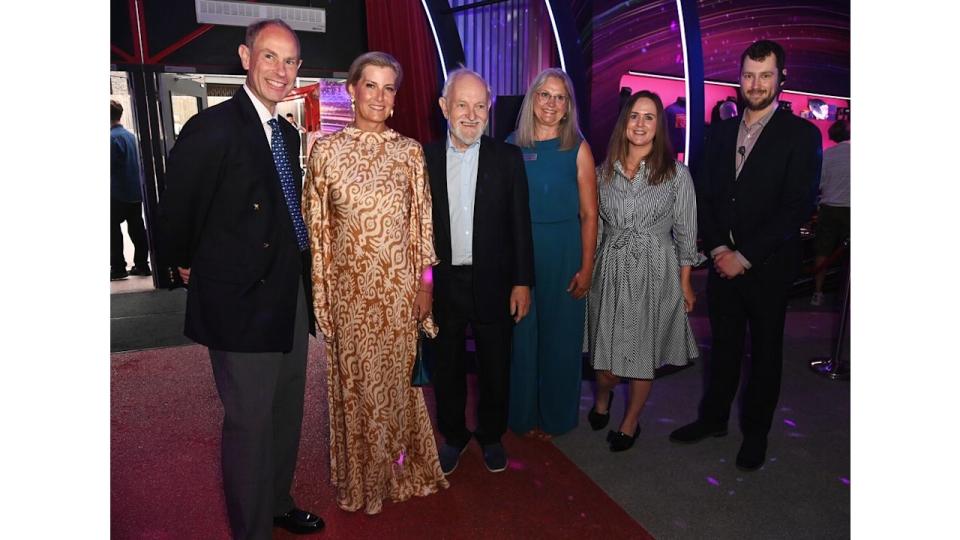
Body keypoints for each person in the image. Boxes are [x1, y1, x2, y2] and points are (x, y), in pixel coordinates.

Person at [157, 19, 324, 538]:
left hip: (289, 291)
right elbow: (175, 212)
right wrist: (185, 261)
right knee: (249, 423)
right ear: (245, 56)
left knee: (285, 410)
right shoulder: (212, 127)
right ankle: (252, 530)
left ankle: (276, 502)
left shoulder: (287, 131)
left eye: (290, 60)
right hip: (240, 301)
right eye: (270, 56)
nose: (281, 69)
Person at [303, 51, 448, 514]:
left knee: (396, 386)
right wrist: (323, 298)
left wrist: (425, 286)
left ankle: (400, 468)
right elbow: (318, 236)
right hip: (350, 296)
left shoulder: (409, 153)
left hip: (399, 294)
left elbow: (423, 228)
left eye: (389, 88)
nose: (380, 97)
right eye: (371, 86)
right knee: (357, 389)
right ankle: (361, 480)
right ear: (352, 89)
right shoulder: (325, 152)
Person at [670, 40, 822, 471]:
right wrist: (719, 248)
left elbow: (796, 206)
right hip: (722, 264)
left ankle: (756, 434)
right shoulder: (718, 132)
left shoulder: (802, 135)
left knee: (766, 354)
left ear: (781, 80)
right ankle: (713, 419)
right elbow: (706, 194)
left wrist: (745, 256)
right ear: (739, 78)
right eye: (749, 75)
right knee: (724, 347)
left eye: (765, 76)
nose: (755, 84)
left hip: (768, 269)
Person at [424, 68, 535, 475]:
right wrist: (423, 285)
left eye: (480, 106)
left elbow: (520, 225)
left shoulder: (507, 158)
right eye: (462, 105)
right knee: (447, 366)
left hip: (496, 281)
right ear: (444, 107)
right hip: (444, 282)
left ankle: (491, 435)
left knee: (495, 365)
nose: (471, 115)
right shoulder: (425, 159)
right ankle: (453, 435)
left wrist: (523, 282)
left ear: (490, 109)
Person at [587, 90, 702, 452]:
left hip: (656, 270)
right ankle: (603, 397)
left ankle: (630, 422)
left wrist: (686, 283)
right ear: (624, 123)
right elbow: (597, 229)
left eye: (649, 117)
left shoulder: (677, 175)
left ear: (659, 126)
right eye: (634, 116)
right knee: (606, 366)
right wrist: (588, 270)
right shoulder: (601, 173)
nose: (640, 124)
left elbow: (686, 232)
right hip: (611, 269)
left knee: (641, 359)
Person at [506, 68, 597, 440]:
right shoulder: (512, 144)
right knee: (521, 338)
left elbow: (590, 214)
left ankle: (556, 418)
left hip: (564, 252)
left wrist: (587, 267)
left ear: (567, 107)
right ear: (533, 99)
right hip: (521, 253)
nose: (551, 103)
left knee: (561, 339)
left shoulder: (578, 147)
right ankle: (522, 416)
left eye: (560, 97)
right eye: (545, 94)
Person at [810, 119, 850, 306]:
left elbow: (819, 183)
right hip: (851, 209)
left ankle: (818, 293)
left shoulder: (828, 154)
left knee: (822, 251)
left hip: (828, 208)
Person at [110, 100, 150, 280]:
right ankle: (142, 264)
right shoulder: (131, 136)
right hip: (135, 191)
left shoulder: (111, 138)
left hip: (116, 192)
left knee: (111, 231)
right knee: (137, 228)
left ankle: (118, 268)